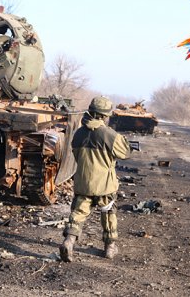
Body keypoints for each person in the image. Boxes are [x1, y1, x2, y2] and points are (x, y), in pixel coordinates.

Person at [60, 96, 131, 261]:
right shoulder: (109, 135)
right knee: (108, 213)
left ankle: (69, 241)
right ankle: (110, 247)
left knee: (78, 213)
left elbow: (77, 156)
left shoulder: (78, 134)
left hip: (83, 183)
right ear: (105, 116)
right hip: (105, 185)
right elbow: (125, 153)